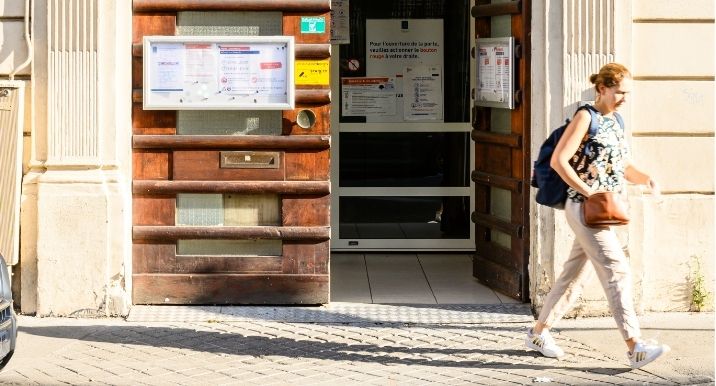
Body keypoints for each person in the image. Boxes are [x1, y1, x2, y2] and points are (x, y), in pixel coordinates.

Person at [524, 63, 669, 369]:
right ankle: (635, 347)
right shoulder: (584, 117)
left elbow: (623, 165)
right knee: (617, 271)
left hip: (604, 210)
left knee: (573, 276)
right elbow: (560, 161)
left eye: (627, 93)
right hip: (585, 209)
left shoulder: (615, 120)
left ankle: (539, 332)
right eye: (620, 92)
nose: (625, 98)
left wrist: (646, 178)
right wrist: (588, 192)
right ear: (602, 89)